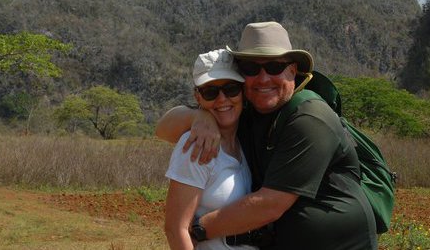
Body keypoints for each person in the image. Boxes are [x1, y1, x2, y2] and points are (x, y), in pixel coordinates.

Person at [156, 22, 377, 249]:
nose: (263, 79)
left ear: (292, 70)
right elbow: (163, 129)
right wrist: (199, 117)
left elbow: (270, 204)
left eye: (274, 67)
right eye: (251, 68)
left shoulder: (310, 117)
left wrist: (197, 230)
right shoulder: (247, 113)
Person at [163, 49, 257, 250]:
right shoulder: (196, 145)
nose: (222, 99)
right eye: (210, 92)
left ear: (243, 91)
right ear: (198, 97)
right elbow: (175, 229)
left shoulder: (247, 137)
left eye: (231, 89)